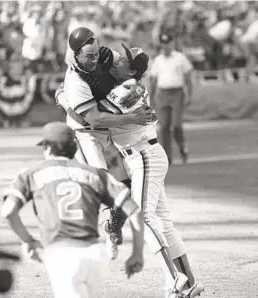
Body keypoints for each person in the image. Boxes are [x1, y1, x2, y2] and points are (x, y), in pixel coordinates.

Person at [104, 44, 204, 298]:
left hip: (144, 156)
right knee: (164, 223)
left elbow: (96, 115)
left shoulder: (129, 90)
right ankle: (189, 282)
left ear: (130, 70)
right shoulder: (133, 83)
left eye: (123, 60)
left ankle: (175, 279)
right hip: (144, 155)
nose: (117, 61)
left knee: (142, 217)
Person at [1, 121, 145, 298]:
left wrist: (28, 241)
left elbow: (8, 211)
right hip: (95, 257)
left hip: (63, 257)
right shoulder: (96, 174)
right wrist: (137, 253)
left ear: (47, 148)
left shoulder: (31, 175)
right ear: (74, 147)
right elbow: (134, 210)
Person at [58, 27, 155, 260]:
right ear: (77, 55)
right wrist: (65, 98)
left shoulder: (110, 61)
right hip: (85, 132)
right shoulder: (76, 79)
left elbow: (126, 75)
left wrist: (62, 99)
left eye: (94, 54)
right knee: (101, 181)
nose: (93, 60)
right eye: (87, 56)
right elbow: (93, 118)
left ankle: (112, 227)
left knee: (125, 188)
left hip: (107, 131)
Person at [149, 33, 193, 165]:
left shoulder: (179, 58)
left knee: (176, 125)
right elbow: (153, 80)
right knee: (164, 127)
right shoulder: (158, 60)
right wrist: (150, 98)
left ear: (171, 44)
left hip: (177, 93)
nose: (166, 47)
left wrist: (189, 94)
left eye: (168, 43)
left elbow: (188, 77)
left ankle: (182, 146)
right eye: (163, 44)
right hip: (163, 93)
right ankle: (167, 155)